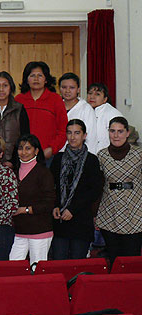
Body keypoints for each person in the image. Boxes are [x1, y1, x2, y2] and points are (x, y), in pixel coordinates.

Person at [50, 119, 102, 260]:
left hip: (81, 220)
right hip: (60, 220)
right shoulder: (58, 159)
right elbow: (51, 186)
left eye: (77, 133)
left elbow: (95, 190)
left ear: (84, 135)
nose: (73, 137)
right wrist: (55, 205)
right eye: (69, 133)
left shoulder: (92, 160)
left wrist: (72, 209)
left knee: (77, 263)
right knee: (58, 261)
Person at [95, 116, 142, 262]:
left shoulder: (139, 154)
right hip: (109, 212)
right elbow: (98, 185)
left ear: (127, 133)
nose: (116, 135)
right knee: (113, 258)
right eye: (112, 131)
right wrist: (94, 212)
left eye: (120, 131)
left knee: (131, 258)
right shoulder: (101, 155)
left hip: (135, 212)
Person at [9, 134, 55, 265]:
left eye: (28, 148)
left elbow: (49, 203)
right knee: (12, 268)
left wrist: (25, 210)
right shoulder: (13, 171)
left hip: (39, 230)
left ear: (36, 151)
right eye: (20, 148)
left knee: (37, 270)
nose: (23, 152)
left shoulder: (43, 172)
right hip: (19, 230)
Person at [15, 62, 67, 163]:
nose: (36, 79)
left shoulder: (55, 99)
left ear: (46, 79)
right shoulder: (19, 100)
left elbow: (63, 129)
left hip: (48, 156)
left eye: (40, 75)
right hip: (23, 156)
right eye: (32, 75)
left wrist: (52, 149)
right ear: (27, 79)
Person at [59, 73, 98, 154]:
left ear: (78, 90)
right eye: (64, 87)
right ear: (60, 89)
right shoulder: (56, 106)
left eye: (72, 88)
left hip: (80, 155)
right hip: (58, 154)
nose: (67, 91)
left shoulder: (86, 109)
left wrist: (88, 159)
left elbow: (91, 138)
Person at [87, 83, 123, 153]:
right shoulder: (86, 110)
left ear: (105, 99)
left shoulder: (113, 113)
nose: (92, 97)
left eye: (97, 94)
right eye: (90, 93)